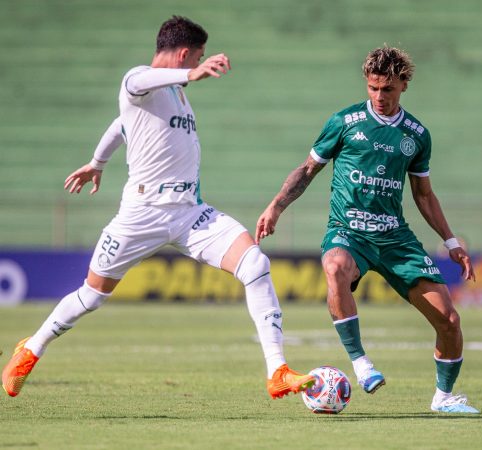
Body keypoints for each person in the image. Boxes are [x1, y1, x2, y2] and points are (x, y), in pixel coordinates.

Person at [2, 16, 314, 400]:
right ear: (185, 54)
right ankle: (32, 348)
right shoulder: (140, 79)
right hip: (142, 212)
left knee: (255, 264)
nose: (198, 62)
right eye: (196, 56)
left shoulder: (176, 96)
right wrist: (192, 73)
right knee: (92, 295)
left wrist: (97, 162)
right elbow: (135, 85)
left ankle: (277, 370)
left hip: (189, 213)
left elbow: (121, 126)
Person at [255, 46, 479, 414]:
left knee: (449, 320)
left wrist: (451, 242)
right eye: (373, 88)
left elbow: (423, 194)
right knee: (335, 267)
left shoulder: (417, 135)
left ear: (403, 85)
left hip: (395, 238)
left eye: (387, 89)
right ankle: (361, 364)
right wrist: (276, 206)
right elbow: (307, 170)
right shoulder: (344, 122)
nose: (379, 97)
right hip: (349, 231)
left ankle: (444, 398)